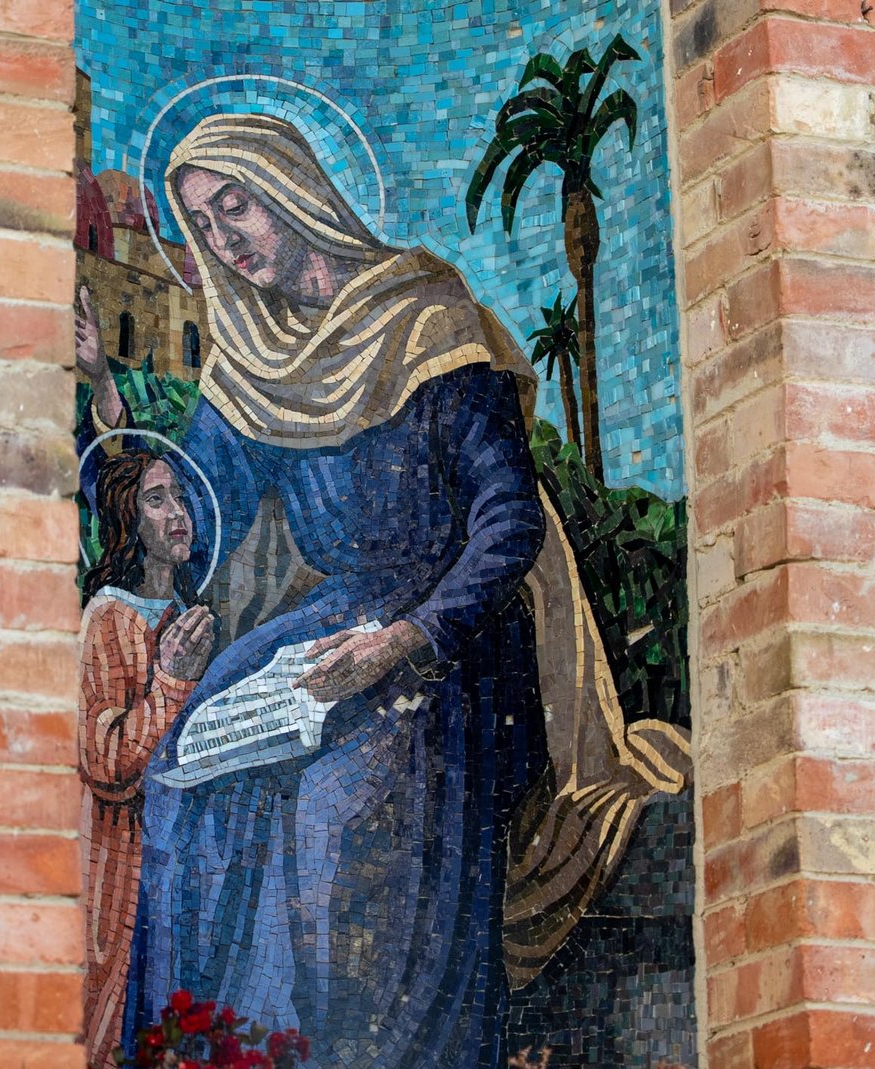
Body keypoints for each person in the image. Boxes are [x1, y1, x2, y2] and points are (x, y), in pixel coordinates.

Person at [76, 113, 688, 1069]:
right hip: (331, 624)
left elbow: (508, 521)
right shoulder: (252, 361)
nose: (228, 239)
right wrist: (107, 405)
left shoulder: (425, 314)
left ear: (292, 191)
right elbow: (197, 509)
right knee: (184, 777)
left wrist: (403, 641)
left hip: (456, 634)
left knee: (338, 812)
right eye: (204, 223)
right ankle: (211, 1053)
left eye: (236, 205)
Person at [78, 450, 216, 1069]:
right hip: (124, 857)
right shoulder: (109, 618)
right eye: (156, 500)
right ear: (126, 521)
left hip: (181, 851)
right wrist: (171, 683)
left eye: (179, 497)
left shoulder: (186, 618)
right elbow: (106, 761)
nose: (177, 513)